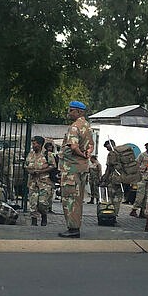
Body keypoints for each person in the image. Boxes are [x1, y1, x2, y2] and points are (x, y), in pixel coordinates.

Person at [58, 101, 94, 238]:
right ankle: (75, 227)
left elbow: (73, 147)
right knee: (78, 199)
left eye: (71, 110)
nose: (69, 113)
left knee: (70, 199)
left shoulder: (74, 127)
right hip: (82, 168)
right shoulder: (87, 126)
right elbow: (91, 145)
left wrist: (81, 154)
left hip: (71, 168)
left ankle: (73, 228)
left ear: (79, 112)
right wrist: (87, 154)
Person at [25, 136, 56, 226]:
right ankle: (34, 221)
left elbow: (53, 166)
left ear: (40, 144)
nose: (33, 145)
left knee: (42, 203)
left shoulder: (48, 155)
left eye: (34, 144)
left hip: (44, 183)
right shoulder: (30, 154)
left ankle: (44, 215)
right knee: (33, 203)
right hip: (33, 183)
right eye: (33, 144)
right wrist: (30, 171)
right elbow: (26, 165)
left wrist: (41, 171)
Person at [99, 140, 123, 217]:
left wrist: (104, 179)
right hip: (122, 178)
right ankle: (115, 213)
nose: (107, 149)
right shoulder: (121, 153)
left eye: (107, 147)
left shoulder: (111, 154)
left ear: (110, 144)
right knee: (118, 198)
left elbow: (109, 168)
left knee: (111, 197)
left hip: (113, 178)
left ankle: (111, 214)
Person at [130, 142, 148, 217]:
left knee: (147, 196)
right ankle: (134, 209)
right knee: (140, 195)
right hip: (142, 177)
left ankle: (143, 212)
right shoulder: (142, 155)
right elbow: (136, 164)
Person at [44, 141, 59, 212]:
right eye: (49, 147)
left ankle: (47, 207)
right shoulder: (50, 154)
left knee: (48, 192)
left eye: (51, 147)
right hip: (50, 175)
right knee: (50, 193)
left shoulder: (44, 154)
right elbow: (55, 166)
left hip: (47, 174)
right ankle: (48, 208)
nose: (50, 148)